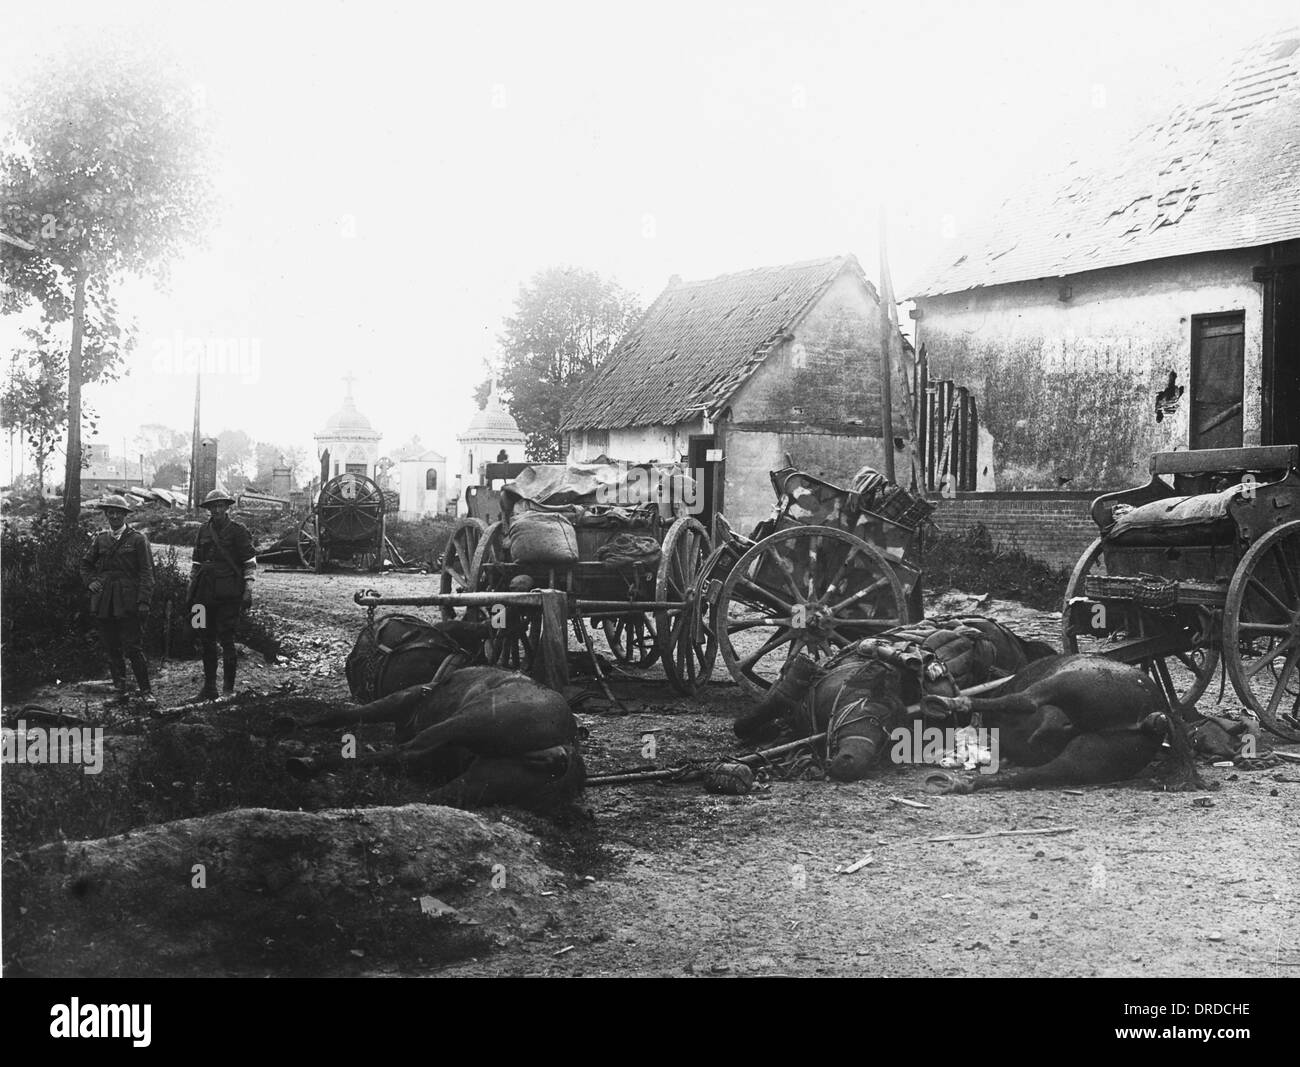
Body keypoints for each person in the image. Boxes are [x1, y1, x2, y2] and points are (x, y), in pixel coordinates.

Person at [80, 495, 156, 708]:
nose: (113, 516)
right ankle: (120, 692)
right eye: (109, 512)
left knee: (133, 647)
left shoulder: (138, 539)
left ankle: (146, 692)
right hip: (105, 600)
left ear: (124, 515)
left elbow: (147, 572)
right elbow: (85, 565)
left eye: (117, 512)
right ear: (106, 515)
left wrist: (144, 601)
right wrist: (90, 582)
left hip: (129, 600)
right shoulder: (101, 539)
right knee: (112, 647)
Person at [188, 489, 257, 700]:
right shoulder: (202, 530)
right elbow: (196, 563)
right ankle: (209, 688)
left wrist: (248, 589)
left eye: (221, 506)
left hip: (229, 593)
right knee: (205, 637)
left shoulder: (238, 530)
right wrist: (190, 591)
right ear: (208, 509)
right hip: (204, 593)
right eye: (213, 506)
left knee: (226, 639)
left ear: (227, 507)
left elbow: (249, 563)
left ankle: (228, 691)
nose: (217, 509)